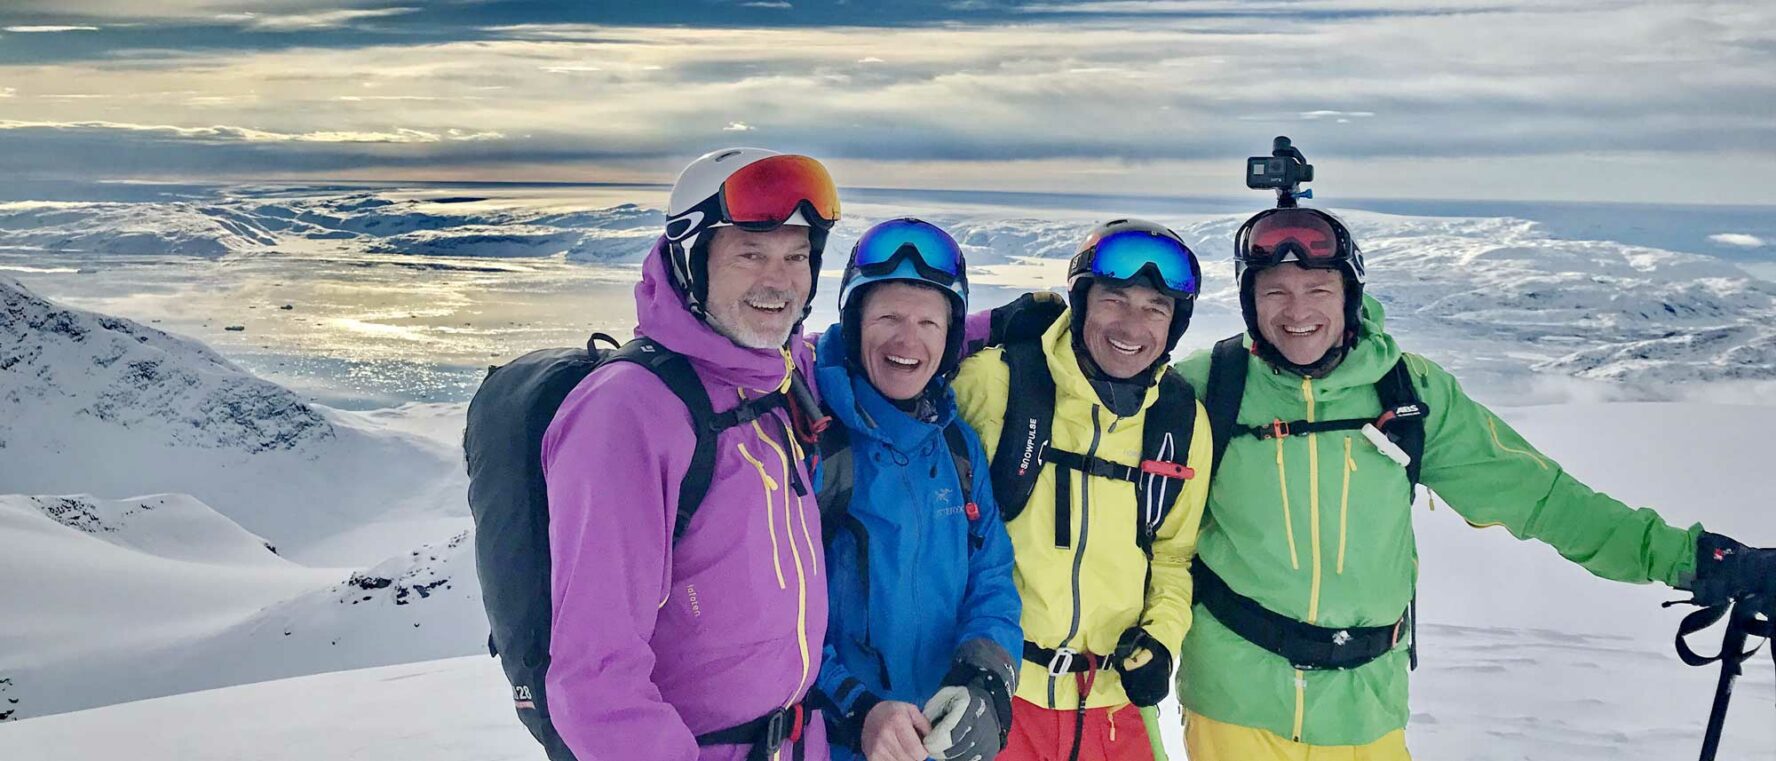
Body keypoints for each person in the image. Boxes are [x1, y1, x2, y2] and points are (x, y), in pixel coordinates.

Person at [1171, 203, 1776, 759]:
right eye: (1275, 291)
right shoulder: (1207, 388)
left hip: (1366, 706)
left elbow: (1542, 498)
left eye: (1318, 289)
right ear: (1250, 301)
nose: (1297, 312)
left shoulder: (1410, 392)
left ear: (1350, 294)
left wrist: (1690, 558)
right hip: (1234, 702)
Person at [542, 147, 839, 761]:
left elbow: (874, 347)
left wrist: (997, 325)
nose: (779, 280)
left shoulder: (774, 377)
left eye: (797, 256)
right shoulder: (628, 412)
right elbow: (595, 680)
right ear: (691, 261)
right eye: (750, 254)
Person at [951, 218, 1214, 761]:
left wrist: (1162, 639)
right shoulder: (998, 382)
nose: (1132, 326)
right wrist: (979, 327)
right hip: (998, 692)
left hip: (1115, 706)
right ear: (1081, 302)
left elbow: (1173, 556)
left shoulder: (1181, 420)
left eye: (1156, 309)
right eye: (1114, 300)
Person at [808, 218, 1023, 761]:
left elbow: (990, 575)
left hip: (940, 739)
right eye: (888, 318)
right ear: (854, 324)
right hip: (834, 742)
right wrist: (856, 710)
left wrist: (985, 679)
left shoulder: (956, 444)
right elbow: (773, 615)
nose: (908, 341)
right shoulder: (814, 440)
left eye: (929, 322)